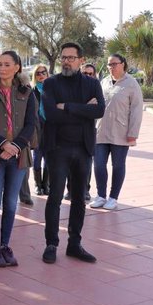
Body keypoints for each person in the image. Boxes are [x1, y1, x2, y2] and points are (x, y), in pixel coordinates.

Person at [41, 42, 105, 265]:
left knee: (79, 199)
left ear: (80, 59)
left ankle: (74, 244)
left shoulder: (92, 83)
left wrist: (66, 106)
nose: (66, 61)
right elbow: (50, 114)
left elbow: (99, 110)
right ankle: (51, 244)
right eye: (64, 57)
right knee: (55, 198)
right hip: (58, 149)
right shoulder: (50, 83)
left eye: (71, 57)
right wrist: (83, 109)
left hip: (84, 149)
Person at [0, 50, 37, 267]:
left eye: (6, 64)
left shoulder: (27, 92)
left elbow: (31, 124)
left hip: (19, 156)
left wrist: (15, 146)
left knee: (11, 203)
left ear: (17, 67)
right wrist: (3, 144)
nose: (1, 68)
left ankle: (5, 245)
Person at [90, 54, 143, 211]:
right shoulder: (104, 82)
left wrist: (133, 133)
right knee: (99, 164)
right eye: (108, 64)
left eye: (114, 64)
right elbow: (95, 102)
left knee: (118, 165)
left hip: (121, 132)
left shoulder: (131, 84)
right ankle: (101, 195)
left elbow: (136, 110)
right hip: (101, 130)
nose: (111, 67)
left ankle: (113, 198)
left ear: (123, 64)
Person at [65, 62, 99, 201]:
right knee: (69, 162)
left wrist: (78, 108)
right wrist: (85, 107)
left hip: (88, 132)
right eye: (85, 73)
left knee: (86, 163)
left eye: (91, 73)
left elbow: (96, 111)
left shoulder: (96, 89)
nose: (88, 76)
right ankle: (70, 190)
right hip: (70, 131)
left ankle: (85, 189)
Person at [31, 64, 50, 195]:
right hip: (37, 128)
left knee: (48, 158)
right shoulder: (32, 91)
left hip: (50, 127)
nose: (41, 75)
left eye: (44, 72)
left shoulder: (53, 90)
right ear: (35, 76)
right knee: (37, 157)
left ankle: (46, 185)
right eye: (38, 73)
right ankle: (38, 185)